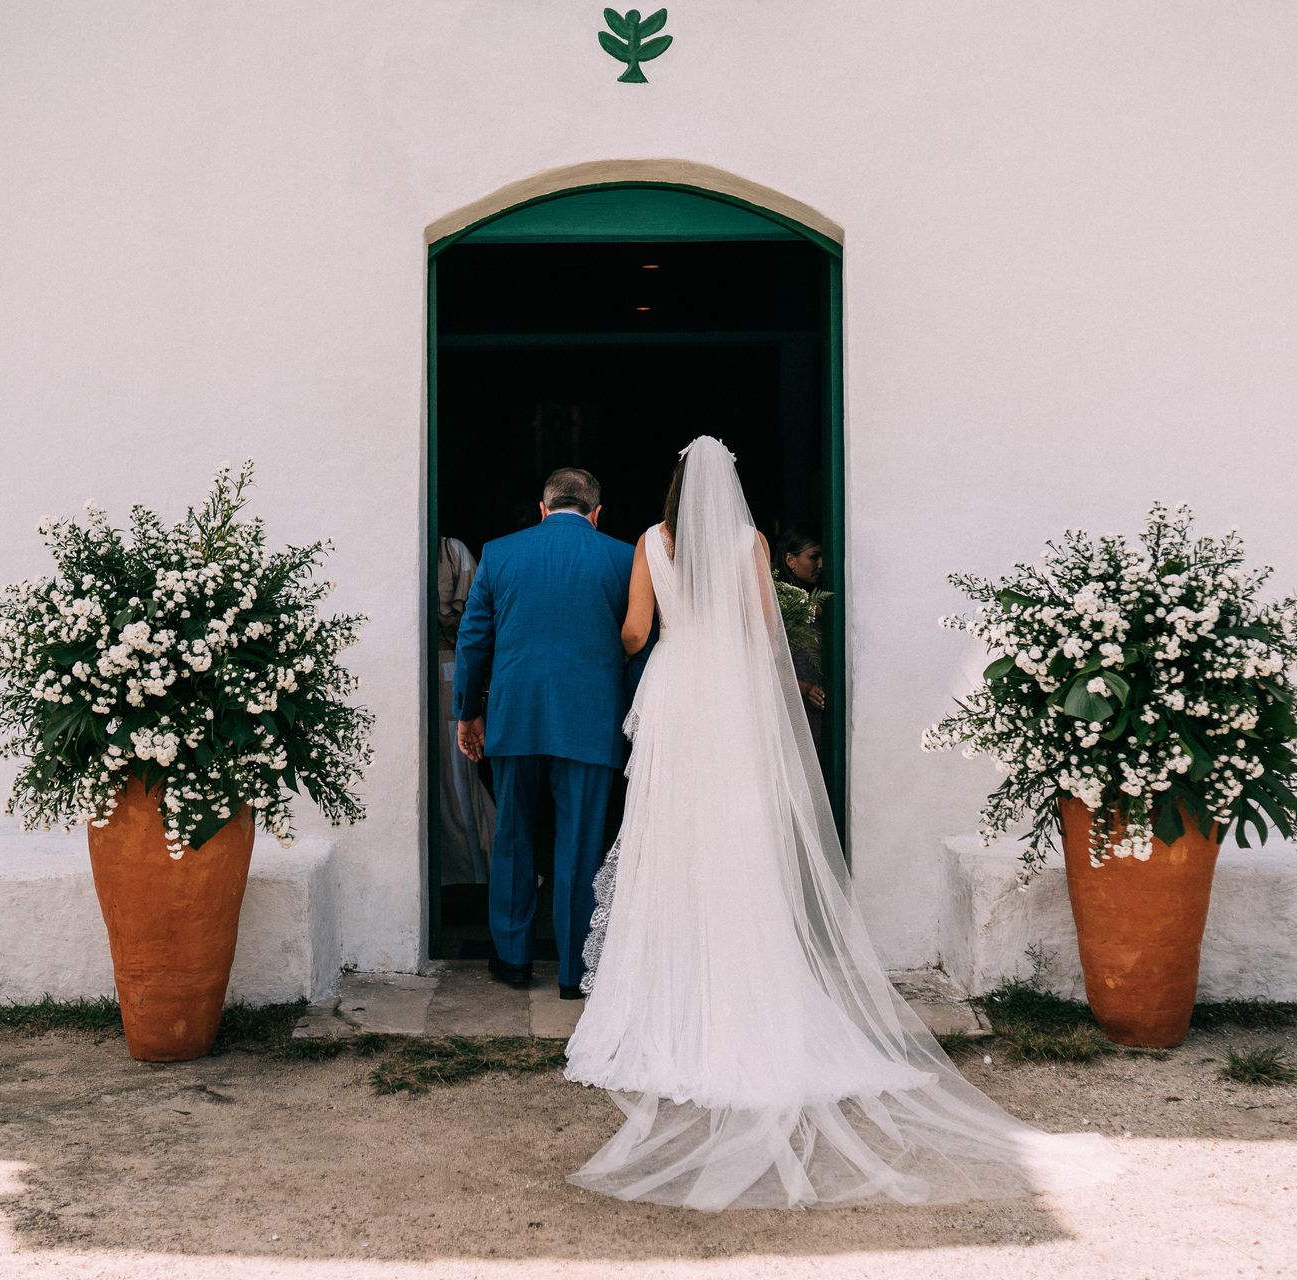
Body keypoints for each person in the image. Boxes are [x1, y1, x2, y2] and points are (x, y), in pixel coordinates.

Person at [564, 437, 1119, 1210]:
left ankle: (670, 985)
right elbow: (764, 632)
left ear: (674, 487)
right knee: (736, 832)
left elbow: (634, 632)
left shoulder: (651, 543)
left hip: (675, 688)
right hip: (726, 691)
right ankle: (746, 976)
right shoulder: (748, 543)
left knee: (672, 830)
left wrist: (648, 641)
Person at [452, 468, 633, 999]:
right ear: (596, 513)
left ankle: (513, 958)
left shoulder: (500, 553)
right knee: (581, 844)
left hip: (517, 716)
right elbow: (640, 644)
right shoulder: (623, 558)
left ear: (543, 508)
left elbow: (473, 639)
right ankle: (575, 970)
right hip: (592, 720)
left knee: (512, 835)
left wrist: (468, 712)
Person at [435, 536, 494, 884]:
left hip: (447, 667)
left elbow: (475, 618)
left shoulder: (451, 550)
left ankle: (474, 868)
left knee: (457, 773)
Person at [773, 526, 828, 760]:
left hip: (816, 705)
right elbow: (767, 665)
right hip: (790, 706)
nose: (821, 564)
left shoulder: (813, 602)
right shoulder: (780, 605)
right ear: (790, 560)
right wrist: (805, 688)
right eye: (813, 557)